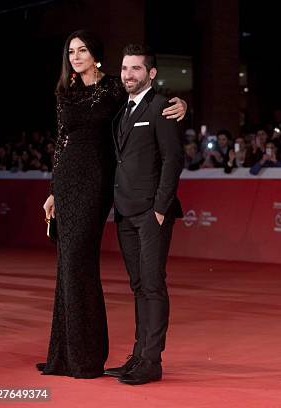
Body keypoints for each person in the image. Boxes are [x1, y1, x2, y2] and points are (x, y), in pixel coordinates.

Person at [37, 30, 186, 379]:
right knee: (74, 267)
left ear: (96, 54)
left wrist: (183, 105)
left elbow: (154, 108)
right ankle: (69, 355)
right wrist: (54, 190)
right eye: (70, 51)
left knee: (88, 263)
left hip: (102, 186)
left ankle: (101, 357)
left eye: (82, 49)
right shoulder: (66, 92)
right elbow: (61, 143)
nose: (75, 56)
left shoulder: (116, 89)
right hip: (74, 185)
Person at [103, 44, 183, 385]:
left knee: (152, 286)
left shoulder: (162, 106)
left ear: (150, 73)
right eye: (124, 68)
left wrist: (161, 210)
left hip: (151, 214)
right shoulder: (122, 110)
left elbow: (173, 159)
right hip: (124, 213)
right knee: (138, 286)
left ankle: (152, 361)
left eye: (136, 69)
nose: (128, 75)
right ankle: (138, 356)